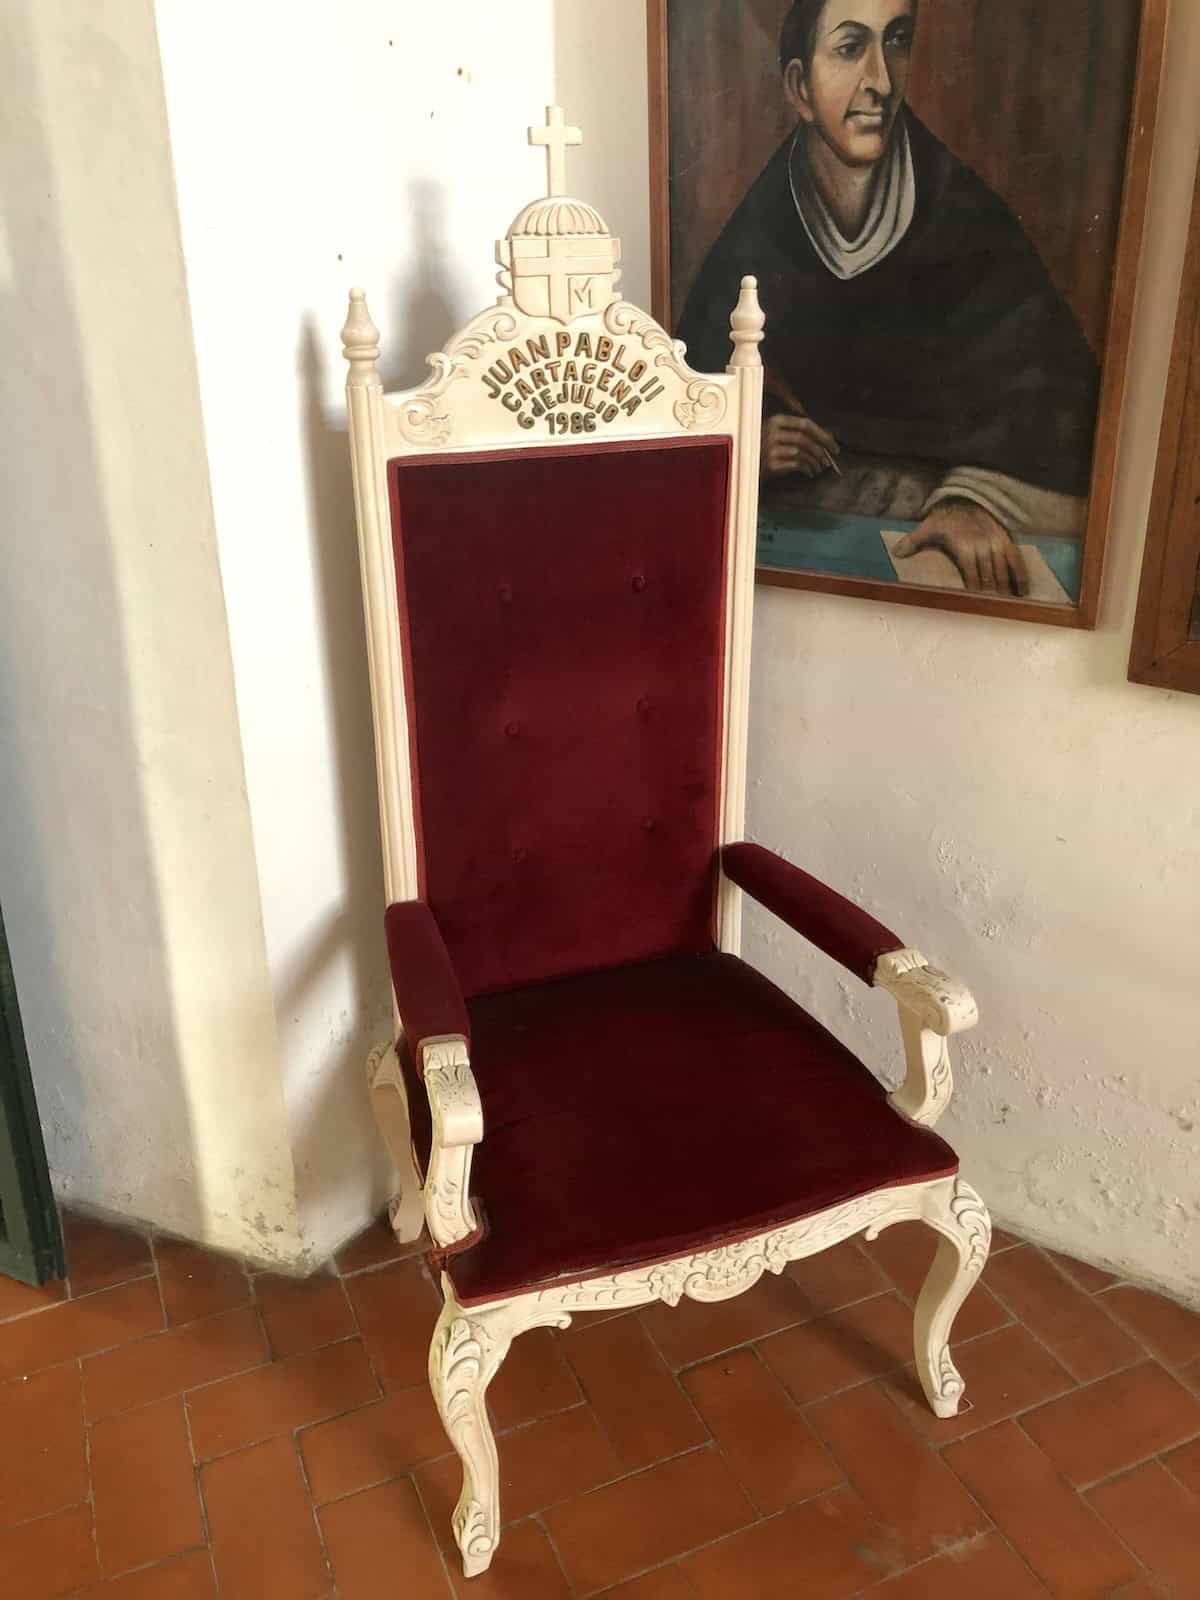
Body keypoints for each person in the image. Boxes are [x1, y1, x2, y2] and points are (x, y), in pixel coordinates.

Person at [675, 0, 1101, 596]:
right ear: (799, 86)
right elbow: (685, 396)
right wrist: (750, 439)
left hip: (937, 548)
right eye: (851, 48)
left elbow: (1066, 413)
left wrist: (970, 500)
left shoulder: (968, 223)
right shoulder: (757, 235)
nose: (881, 80)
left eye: (896, 41)